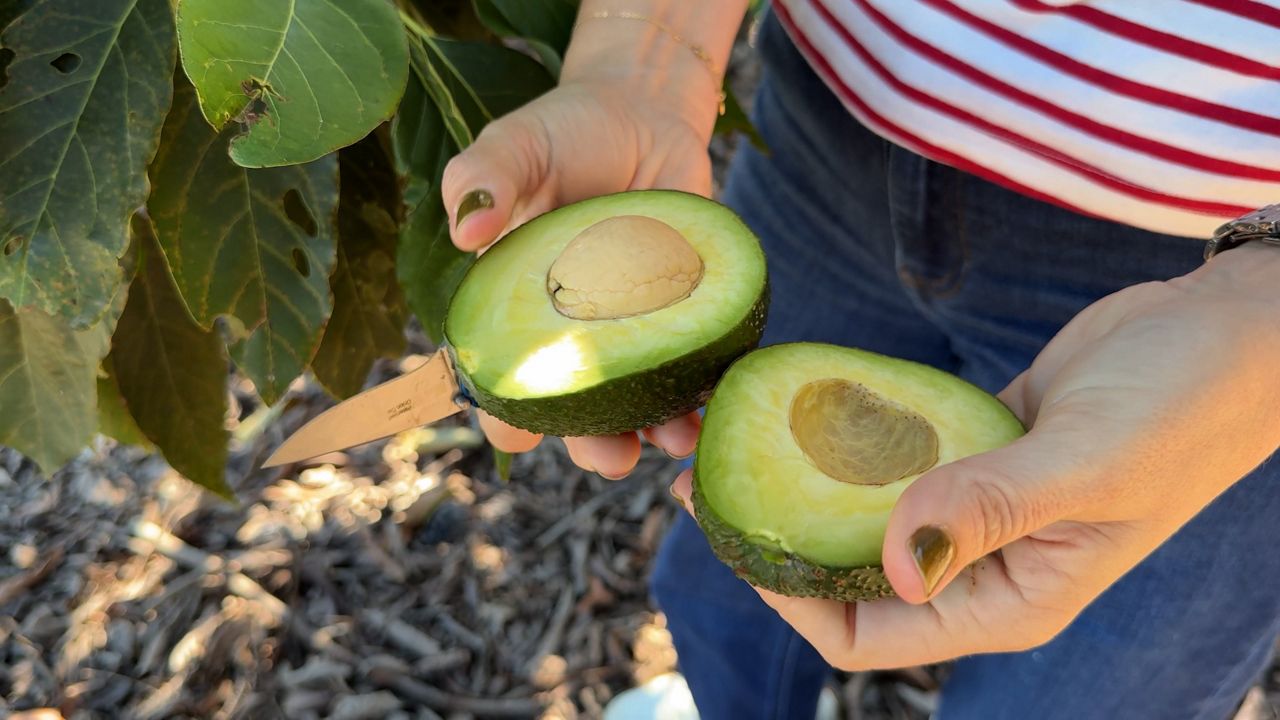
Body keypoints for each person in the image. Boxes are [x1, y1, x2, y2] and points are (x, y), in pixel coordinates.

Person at [440, 2, 1280, 718]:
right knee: (722, 596)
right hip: (827, 139)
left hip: (1210, 272)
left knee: (1092, 688)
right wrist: (649, 55)